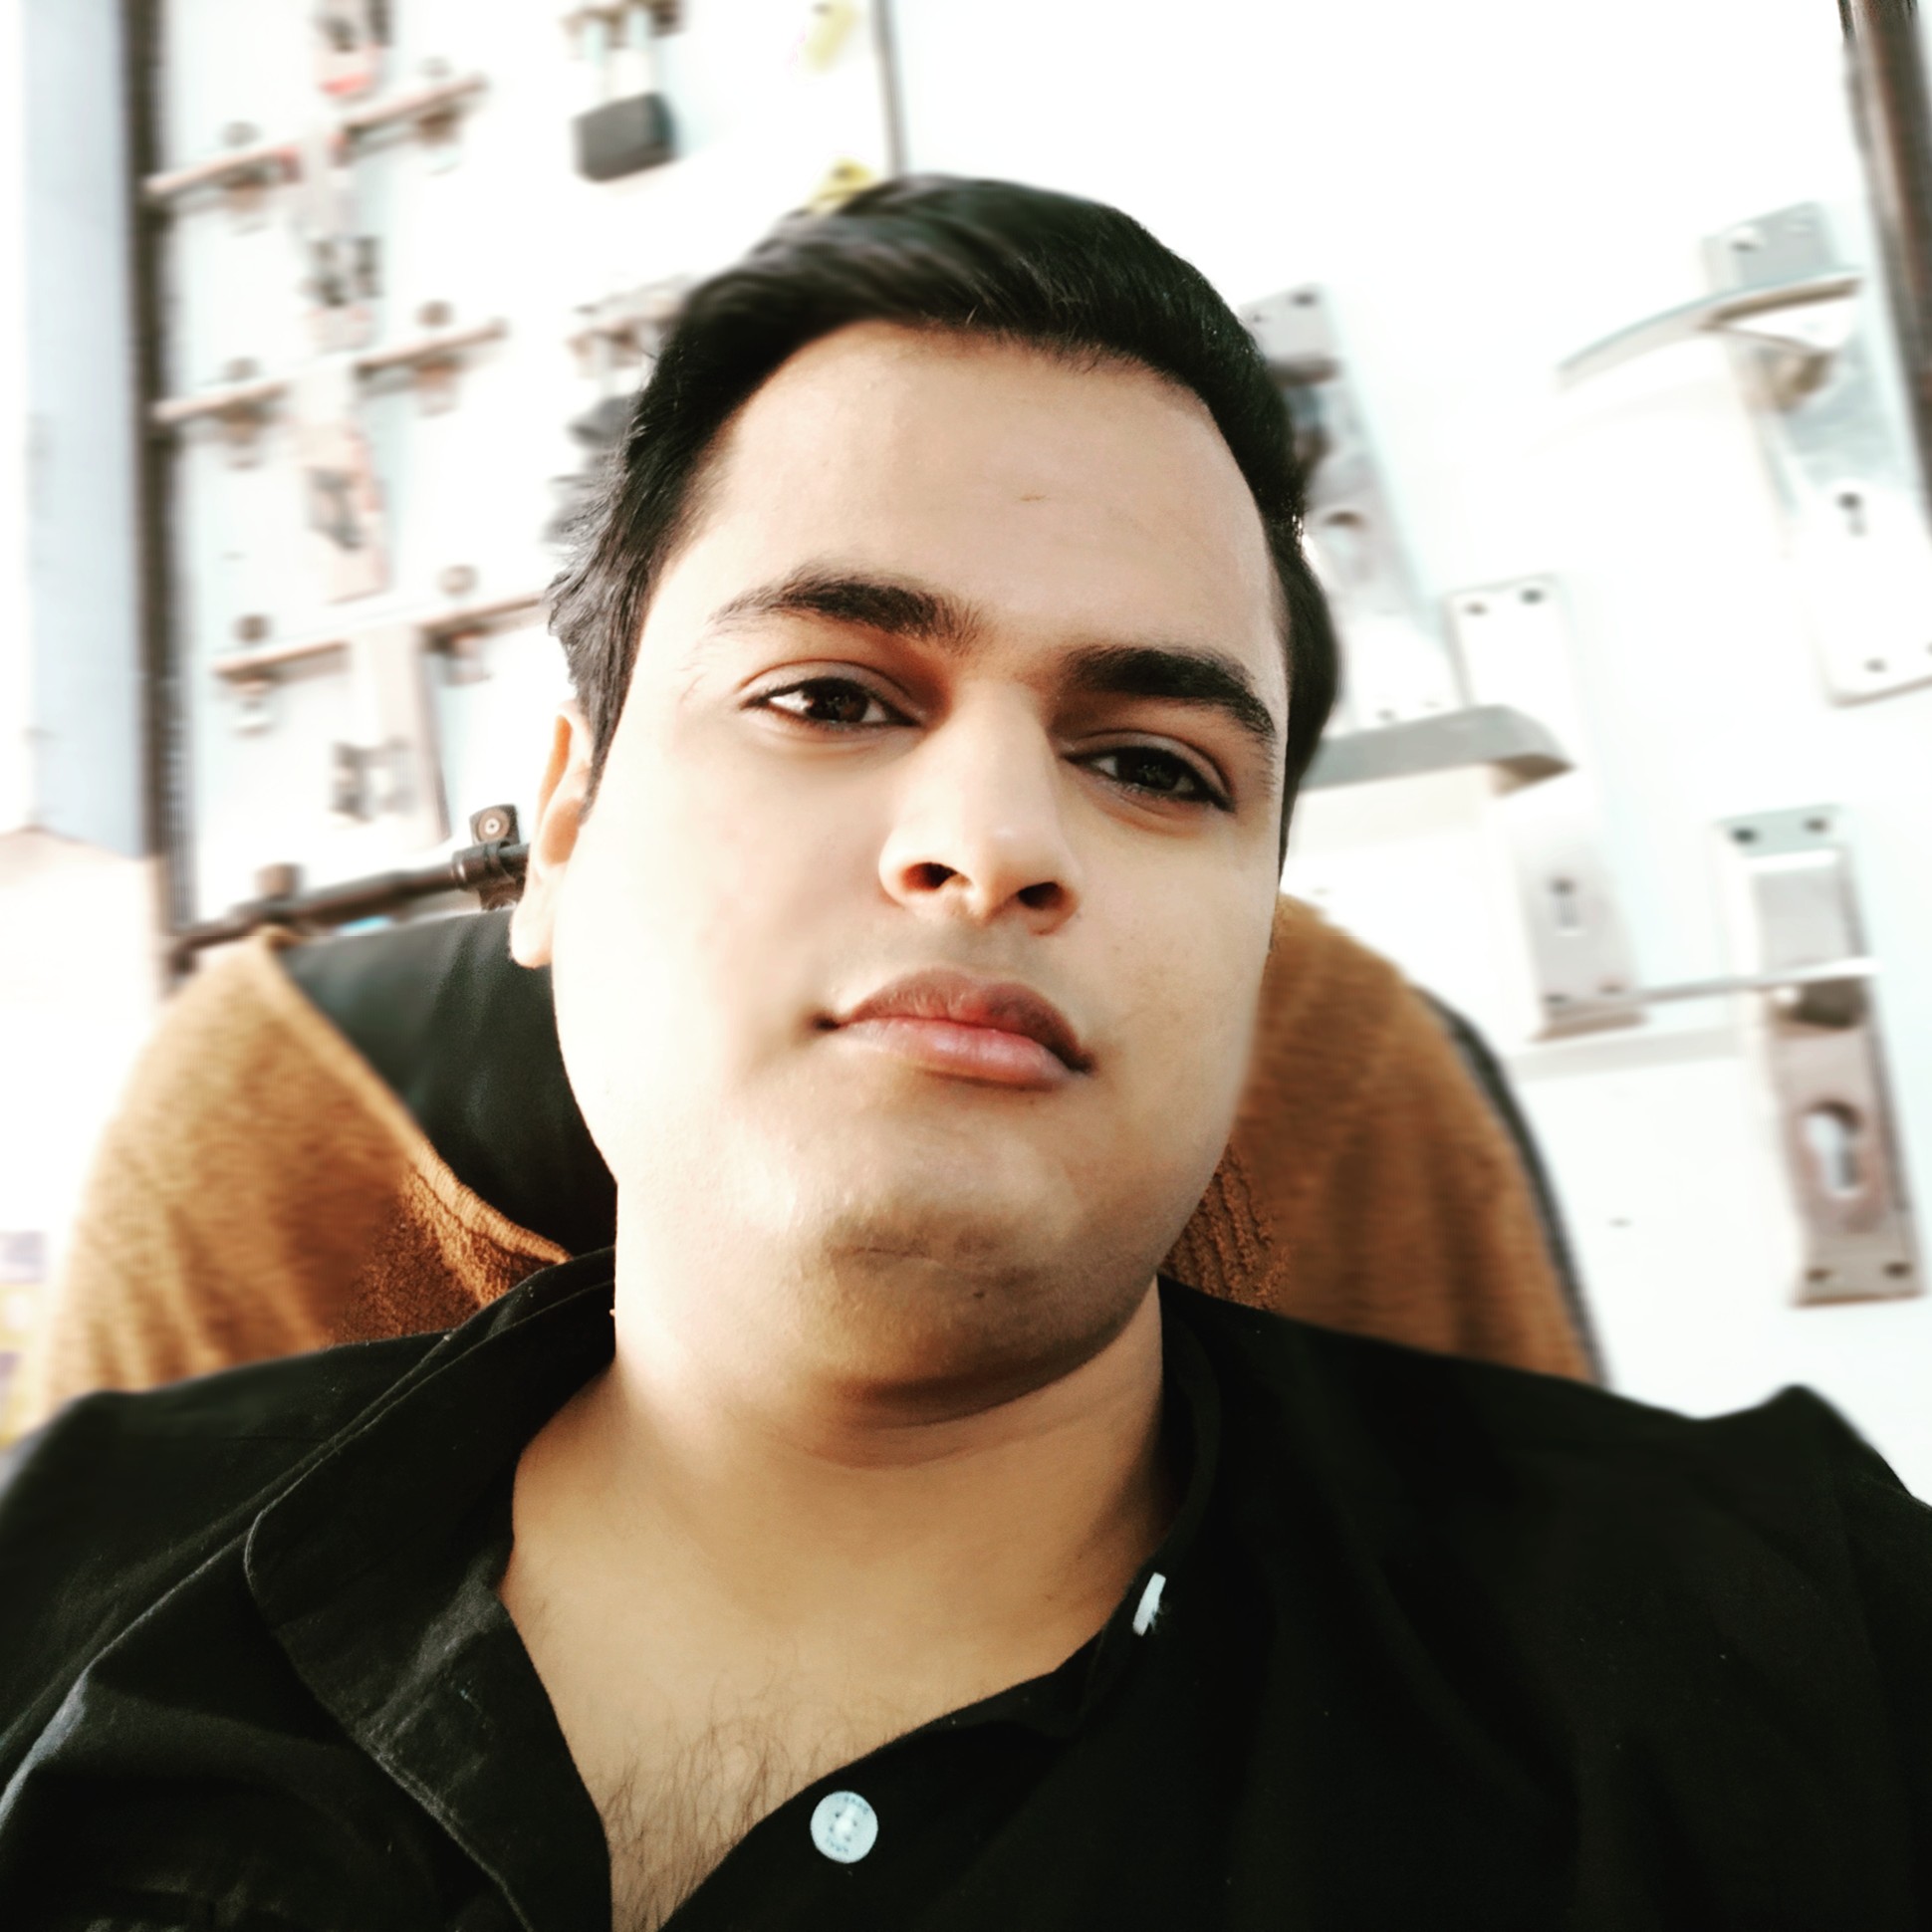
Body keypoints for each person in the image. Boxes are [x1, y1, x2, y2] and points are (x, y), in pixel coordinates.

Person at [1, 175, 1929, 1932]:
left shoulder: (1795, 1643)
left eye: (1152, 764)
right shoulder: (54, 1570)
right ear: (564, 827)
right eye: (832, 696)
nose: (994, 839)